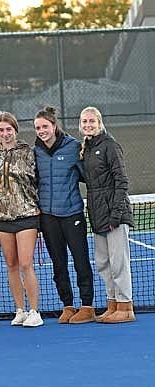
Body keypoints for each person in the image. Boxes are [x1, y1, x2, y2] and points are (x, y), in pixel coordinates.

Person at [33, 106, 95, 324]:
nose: (42, 131)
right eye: (38, 127)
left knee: (81, 261)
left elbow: (89, 176)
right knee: (58, 264)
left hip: (72, 214)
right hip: (48, 218)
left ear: (54, 126)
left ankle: (87, 306)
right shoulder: (36, 151)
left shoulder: (73, 147)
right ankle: (67, 306)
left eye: (45, 126)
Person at [79, 106, 135, 323]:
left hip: (114, 217)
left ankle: (125, 307)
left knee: (119, 262)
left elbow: (122, 182)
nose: (88, 125)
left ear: (99, 122)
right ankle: (112, 304)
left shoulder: (110, 145)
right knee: (103, 262)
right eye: (84, 122)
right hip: (97, 215)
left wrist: (115, 215)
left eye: (91, 121)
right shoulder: (88, 149)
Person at [0, 111, 43, 327]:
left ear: (15, 130)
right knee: (11, 264)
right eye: (1, 130)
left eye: (8, 129)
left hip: (27, 215)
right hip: (3, 217)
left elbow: (38, 180)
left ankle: (34, 311)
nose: (5, 133)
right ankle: (20, 310)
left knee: (26, 263)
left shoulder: (28, 152)